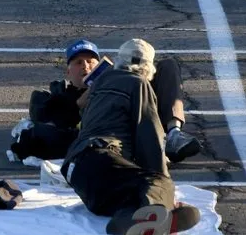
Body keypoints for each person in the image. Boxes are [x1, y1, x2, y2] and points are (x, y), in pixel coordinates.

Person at [60, 39, 200, 235]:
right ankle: (154, 213)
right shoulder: (139, 84)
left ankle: (127, 216)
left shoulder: (100, 82)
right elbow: (149, 139)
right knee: (157, 183)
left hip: (76, 171)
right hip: (100, 158)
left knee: (128, 192)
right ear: (148, 68)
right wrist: (162, 186)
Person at [11, 39, 201, 163]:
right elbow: (45, 117)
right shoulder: (54, 96)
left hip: (142, 117)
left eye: (91, 62)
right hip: (112, 137)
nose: (85, 66)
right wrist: (85, 98)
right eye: (78, 63)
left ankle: (173, 133)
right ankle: (154, 145)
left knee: (168, 65)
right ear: (67, 72)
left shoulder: (118, 80)